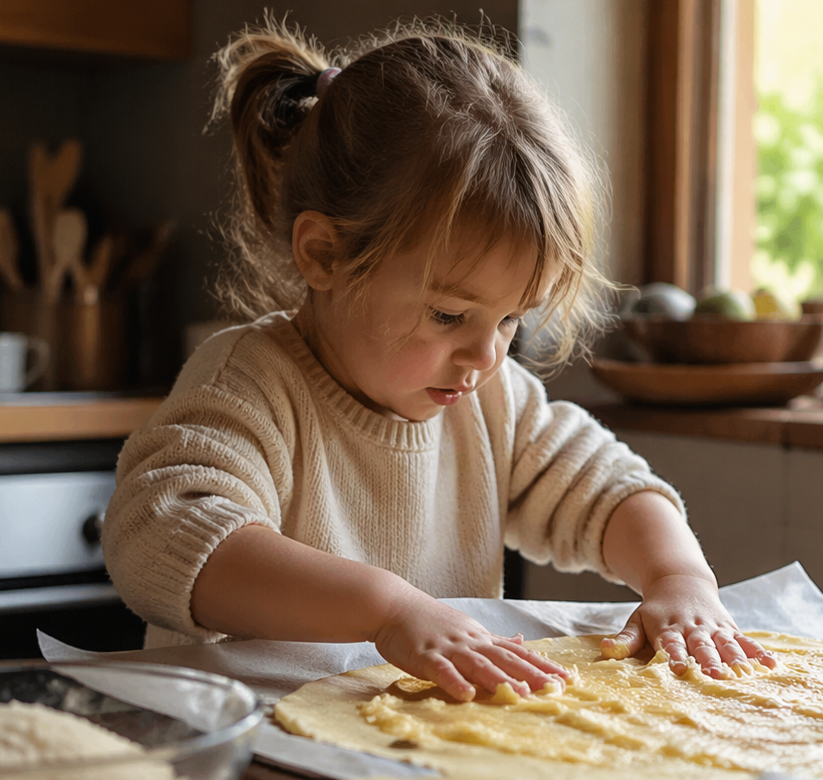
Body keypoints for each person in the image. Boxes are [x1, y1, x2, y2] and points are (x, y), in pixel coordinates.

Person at [103, 21, 775, 701]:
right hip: (242, 750)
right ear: (325, 256)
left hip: (409, 758)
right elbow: (163, 536)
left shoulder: (492, 399)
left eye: (513, 316)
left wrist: (680, 580)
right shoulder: (249, 382)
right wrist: (388, 608)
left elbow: (609, 487)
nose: (487, 355)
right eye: (450, 314)